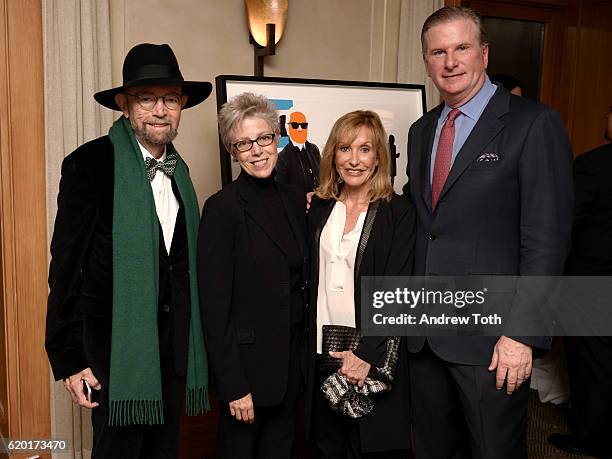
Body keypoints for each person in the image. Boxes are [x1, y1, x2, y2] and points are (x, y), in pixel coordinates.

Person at [402, 7, 574, 458]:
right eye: (438, 52)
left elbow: (547, 241)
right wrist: (340, 200)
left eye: (461, 48)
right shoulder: (422, 131)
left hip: (493, 343)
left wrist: (521, 334)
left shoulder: (533, 124)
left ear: (483, 53)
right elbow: (420, 217)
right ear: (426, 62)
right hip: (425, 333)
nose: (451, 61)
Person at [45, 43, 211, 458]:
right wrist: (70, 358)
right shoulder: (90, 164)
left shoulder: (182, 174)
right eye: (146, 98)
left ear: (182, 106)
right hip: (114, 356)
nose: (160, 110)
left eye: (170, 99)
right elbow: (65, 269)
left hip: (172, 354)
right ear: (124, 105)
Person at [197, 92, 306, 459]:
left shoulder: (294, 200)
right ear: (233, 151)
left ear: (278, 138)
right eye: (244, 143)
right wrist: (232, 385)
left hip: (291, 369)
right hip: (247, 375)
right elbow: (213, 307)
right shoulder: (222, 209)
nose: (257, 150)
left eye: (263, 138)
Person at [305, 110, 415, 458]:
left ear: (379, 155)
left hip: (371, 352)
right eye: (344, 149)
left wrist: (364, 354)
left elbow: (398, 291)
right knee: (326, 445)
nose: (354, 160)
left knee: (369, 446)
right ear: (332, 155)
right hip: (321, 350)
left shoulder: (399, 213)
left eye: (364, 149)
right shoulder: (319, 208)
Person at [548, 107, 612, 458]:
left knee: (593, 367)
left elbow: (566, 223)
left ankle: (593, 441)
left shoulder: (593, 164)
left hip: (591, 281)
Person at [275, 111, 321, 194]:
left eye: (303, 125)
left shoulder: (314, 149)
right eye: (295, 125)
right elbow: (282, 192)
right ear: (288, 129)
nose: (300, 129)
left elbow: (321, 176)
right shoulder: (282, 158)